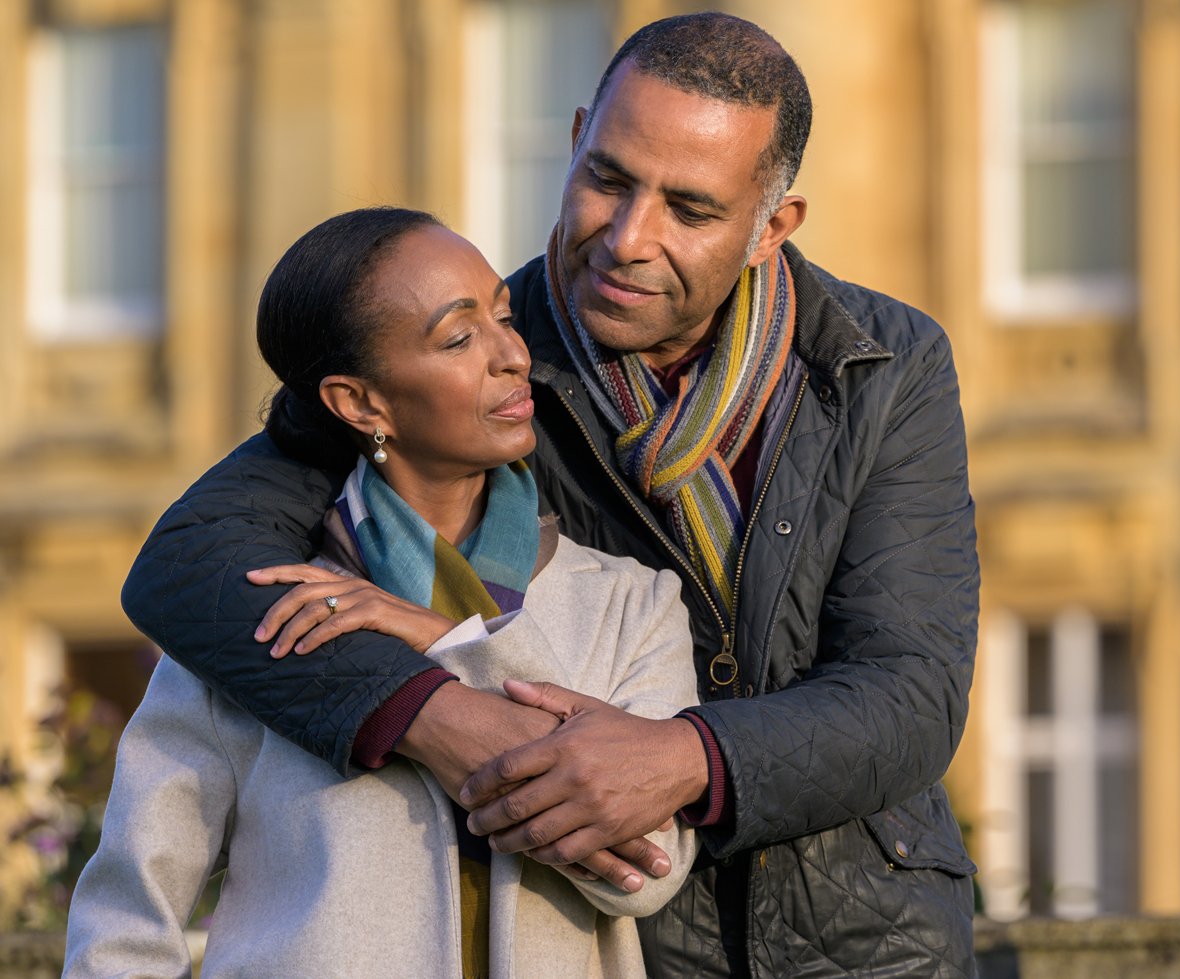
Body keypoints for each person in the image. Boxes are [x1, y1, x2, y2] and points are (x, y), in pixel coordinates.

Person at [120, 13, 980, 977]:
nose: (628, 238)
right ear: (574, 141)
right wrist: (441, 716)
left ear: (769, 229)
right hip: (637, 938)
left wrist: (683, 756)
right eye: (608, 178)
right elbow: (188, 567)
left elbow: (910, 691)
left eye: (690, 210)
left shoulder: (887, 363)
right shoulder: (473, 362)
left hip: (872, 944)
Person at [67, 207, 697, 978]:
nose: (512, 356)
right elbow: (126, 921)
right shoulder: (262, 613)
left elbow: (647, 873)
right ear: (361, 403)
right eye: (459, 338)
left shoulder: (634, 606)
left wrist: (442, 636)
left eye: (505, 317)